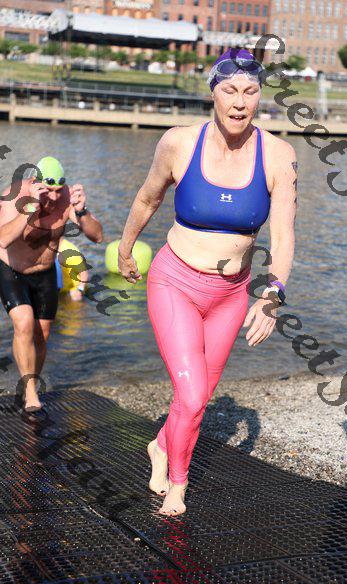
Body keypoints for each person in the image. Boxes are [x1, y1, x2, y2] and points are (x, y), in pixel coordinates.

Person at [119, 48, 297, 516]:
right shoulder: (178, 143)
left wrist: (273, 294)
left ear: (260, 96)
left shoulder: (279, 156)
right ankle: (177, 486)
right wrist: (125, 247)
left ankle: (161, 445)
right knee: (193, 394)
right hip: (175, 282)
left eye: (250, 92)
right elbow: (148, 198)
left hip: (231, 295)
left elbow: (283, 234)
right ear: (213, 94)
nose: (240, 102)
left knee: (196, 398)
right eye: (230, 90)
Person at [0, 156, 103, 412]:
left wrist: (81, 211)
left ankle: (31, 383)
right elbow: (3, 239)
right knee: (23, 322)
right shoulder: (14, 196)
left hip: (45, 272)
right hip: (12, 269)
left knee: (41, 335)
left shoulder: (65, 198)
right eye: (49, 191)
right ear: (34, 182)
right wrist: (30, 209)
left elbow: (97, 236)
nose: (55, 197)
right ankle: (30, 392)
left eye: (59, 190)